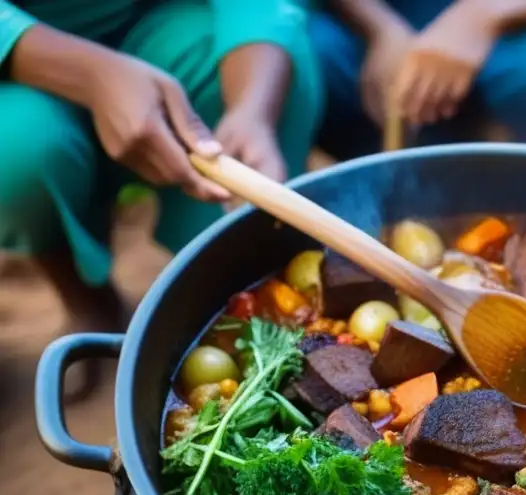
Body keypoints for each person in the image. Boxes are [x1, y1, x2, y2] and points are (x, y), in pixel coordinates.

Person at [0, 0, 323, 344]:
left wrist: (253, 111)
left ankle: (244, 291)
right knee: (17, 153)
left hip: (154, 18)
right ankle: (88, 298)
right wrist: (94, 76)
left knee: (272, 70)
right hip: (18, 57)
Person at [307, 0, 526, 159]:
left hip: (512, 23)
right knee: (306, 53)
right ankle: (376, 201)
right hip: (365, 28)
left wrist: (479, 15)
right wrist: (381, 30)